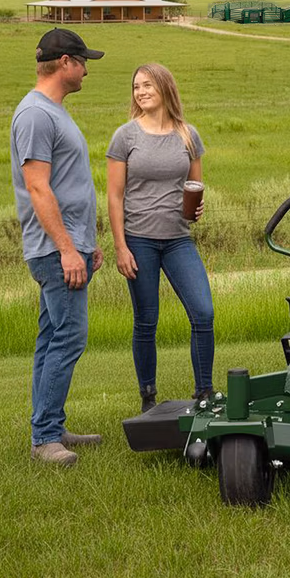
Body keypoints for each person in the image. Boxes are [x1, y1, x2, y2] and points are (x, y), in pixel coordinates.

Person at [10, 28, 105, 467]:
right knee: (69, 337)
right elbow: (37, 186)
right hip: (54, 249)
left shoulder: (52, 111)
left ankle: (51, 423)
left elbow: (69, 184)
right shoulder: (35, 115)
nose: (87, 70)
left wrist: (87, 242)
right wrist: (68, 249)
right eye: (83, 61)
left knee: (51, 338)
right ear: (65, 62)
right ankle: (45, 437)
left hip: (70, 244)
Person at [105, 63, 213, 413]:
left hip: (179, 240)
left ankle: (205, 393)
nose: (141, 92)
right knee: (146, 320)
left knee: (203, 313)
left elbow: (194, 186)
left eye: (148, 85)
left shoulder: (187, 134)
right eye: (136, 87)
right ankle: (148, 397)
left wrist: (196, 207)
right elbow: (115, 196)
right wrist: (120, 246)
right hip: (139, 240)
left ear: (165, 88)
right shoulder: (125, 137)